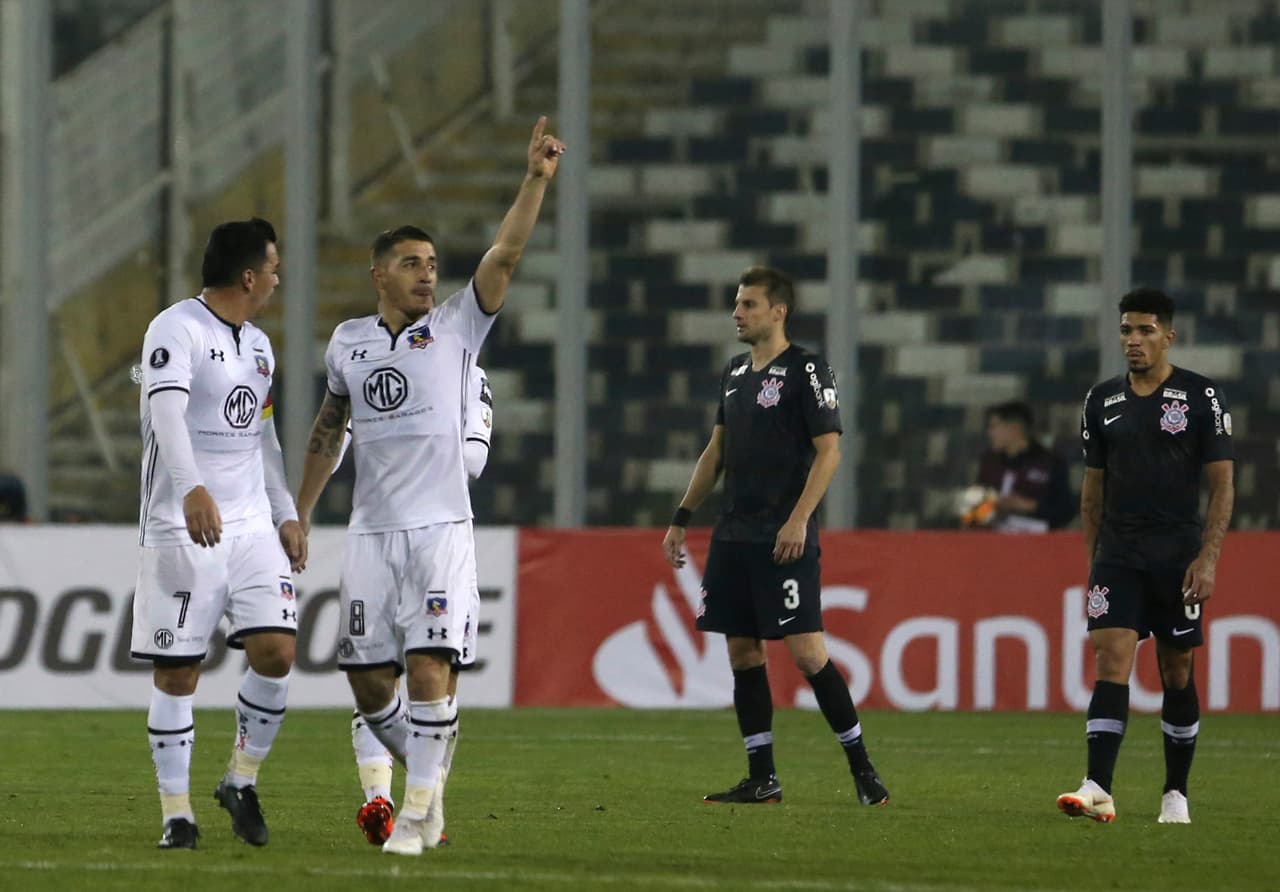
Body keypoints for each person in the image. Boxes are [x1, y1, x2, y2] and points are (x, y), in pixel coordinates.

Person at [294, 116, 563, 856]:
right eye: (411, 263)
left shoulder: (455, 328)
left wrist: (534, 180)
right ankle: (428, 781)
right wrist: (301, 513)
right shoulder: (347, 343)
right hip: (371, 531)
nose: (426, 273)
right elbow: (328, 430)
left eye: (432, 262)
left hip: (441, 527)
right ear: (379, 274)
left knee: (426, 666)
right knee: (365, 679)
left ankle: (416, 816)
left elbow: (505, 254)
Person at [661, 265, 889, 808]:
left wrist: (799, 519)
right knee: (742, 653)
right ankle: (762, 777)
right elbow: (715, 452)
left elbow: (830, 450)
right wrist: (681, 516)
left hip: (783, 534)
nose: (736, 313)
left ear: (778, 311)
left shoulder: (807, 368)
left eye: (748, 304)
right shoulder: (735, 373)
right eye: (737, 304)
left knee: (809, 654)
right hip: (735, 533)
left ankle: (863, 768)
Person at [132, 218, 307, 850]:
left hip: (251, 524)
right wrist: (191, 488)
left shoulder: (260, 346)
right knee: (179, 674)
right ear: (249, 276)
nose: (279, 279)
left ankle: (239, 779)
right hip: (183, 524)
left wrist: (284, 511)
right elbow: (166, 413)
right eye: (275, 268)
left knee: (278, 653)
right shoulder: (175, 329)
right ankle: (176, 813)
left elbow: (263, 438)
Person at [1057, 287, 1233, 825]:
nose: (1134, 340)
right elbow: (1091, 493)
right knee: (1110, 660)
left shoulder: (1201, 397)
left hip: (1176, 556)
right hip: (1118, 555)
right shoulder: (1100, 400)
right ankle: (1098, 786)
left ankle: (1175, 792)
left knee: (1176, 671)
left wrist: (1207, 559)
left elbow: (1222, 486)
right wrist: (1096, 563)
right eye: (1127, 330)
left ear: (1168, 336)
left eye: (1146, 330)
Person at [342, 360, 493, 846]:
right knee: (378, 678)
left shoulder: (469, 375)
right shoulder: (369, 362)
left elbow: (474, 459)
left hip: (440, 539)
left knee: (437, 682)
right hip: (383, 534)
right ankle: (399, 801)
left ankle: (416, 804)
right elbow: (339, 436)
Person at [962, 401, 1074, 532]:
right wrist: (988, 506)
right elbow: (976, 507)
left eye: (994, 427)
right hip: (993, 538)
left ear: (1014, 428)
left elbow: (1065, 512)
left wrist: (1026, 505)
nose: (989, 433)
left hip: (1037, 540)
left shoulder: (1050, 462)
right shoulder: (989, 461)